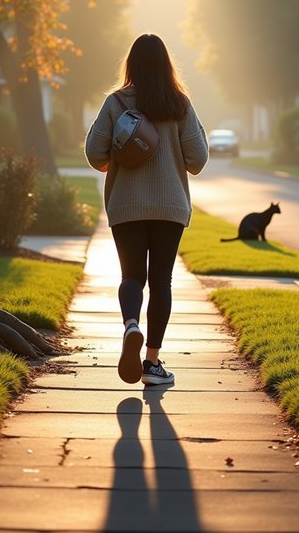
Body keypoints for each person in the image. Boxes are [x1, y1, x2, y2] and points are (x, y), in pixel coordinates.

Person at [85, 34, 209, 387]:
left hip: (126, 205)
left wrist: (121, 152)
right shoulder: (179, 104)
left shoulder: (115, 103)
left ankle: (130, 326)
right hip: (170, 207)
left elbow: (95, 155)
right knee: (161, 282)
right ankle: (151, 363)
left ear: (131, 64)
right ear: (167, 65)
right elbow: (198, 161)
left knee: (131, 277)